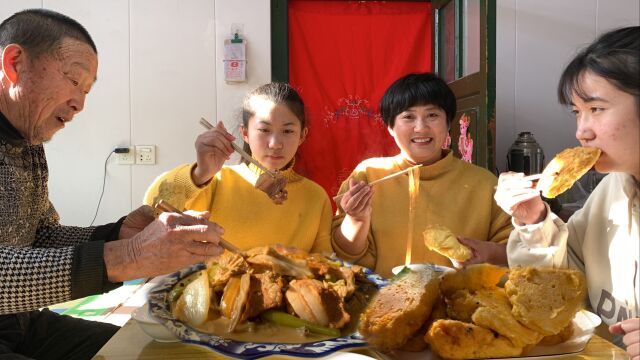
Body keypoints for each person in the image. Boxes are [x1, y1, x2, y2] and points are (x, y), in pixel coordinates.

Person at [0, 9, 225, 360]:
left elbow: (39, 235)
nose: (79, 104)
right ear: (14, 63)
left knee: (148, 353)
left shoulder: (27, 145)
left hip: (19, 322)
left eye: (87, 90)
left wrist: (119, 234)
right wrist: (128, 257)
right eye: (74, 81)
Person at [493, 26, 639, 358]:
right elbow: (558, 294)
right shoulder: (611, 191)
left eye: (596, 109)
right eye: (577, 112)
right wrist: (534, 223)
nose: (581, 132)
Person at [332, 72, 513, 278]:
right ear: (390, 127)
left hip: (458, 304)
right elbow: (343, 256)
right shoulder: (368, 175)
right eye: (408, 117)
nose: (421, 127)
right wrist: (356, 220)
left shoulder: (484, 183)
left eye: (432, 115)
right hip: (381, 302)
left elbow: (517, 253)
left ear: (448, 122)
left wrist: (486, 252)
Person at [144, 82, 332, 254]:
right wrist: (200, 173)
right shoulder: (215, 182)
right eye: (264, 130)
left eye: (288, 131)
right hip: (219, 290)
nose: (275, 144)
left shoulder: (316, 197)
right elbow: (152, 210)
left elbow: (324, 262)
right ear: (245, 133)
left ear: (302, 135)